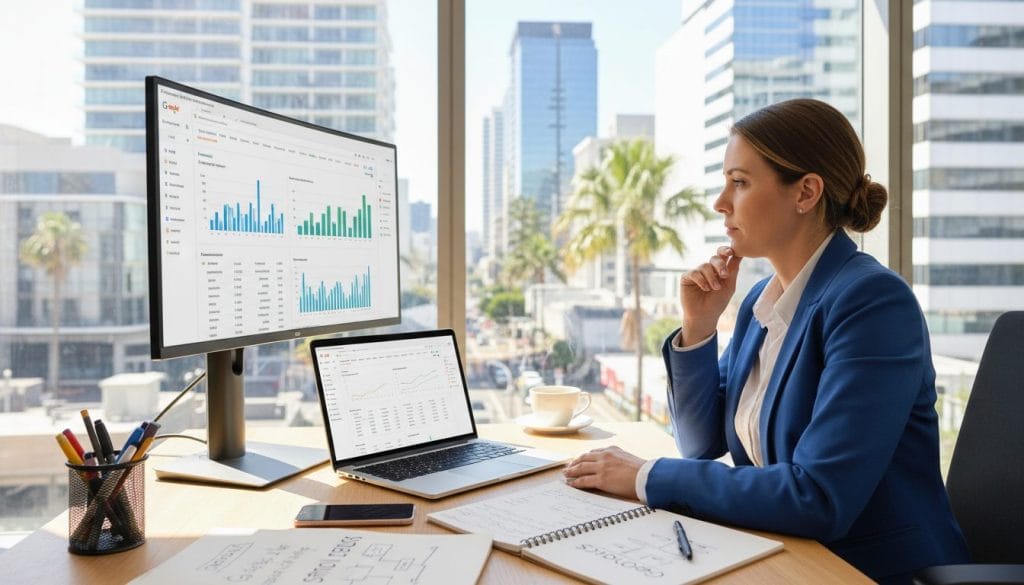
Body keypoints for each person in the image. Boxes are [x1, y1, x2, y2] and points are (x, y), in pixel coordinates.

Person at [563, 99, 970, 584]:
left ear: (806, 192)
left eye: (739, 182)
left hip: (868, 571)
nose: (720, 202)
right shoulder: (764, 299)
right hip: (783, 557)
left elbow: (818, 496)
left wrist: (643, 475)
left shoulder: (873, 303)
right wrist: (699, 329)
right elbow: (698, 444)